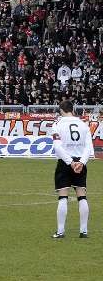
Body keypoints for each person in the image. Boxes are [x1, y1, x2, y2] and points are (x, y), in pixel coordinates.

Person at [51, 100, 93, 239]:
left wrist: (70, 163)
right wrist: (80, 162)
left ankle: (61, 231)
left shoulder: (57, 124)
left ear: (61, 110)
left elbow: (57, 146)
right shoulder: (83, 124)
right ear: (72, 109)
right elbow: (89, 148)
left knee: (63, 196)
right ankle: (84, 231)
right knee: (82, 196)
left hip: (65, 162)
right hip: (80, 162)